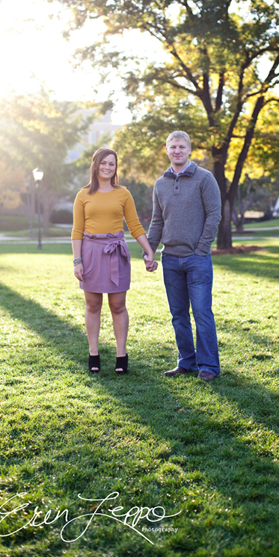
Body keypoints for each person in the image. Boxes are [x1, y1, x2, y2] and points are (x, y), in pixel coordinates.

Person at [145, 130, 222, 382]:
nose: (177, 150)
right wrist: (150, 250)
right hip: (170, 259)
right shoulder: (160, 184)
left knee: (201, 313)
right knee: (178, 315)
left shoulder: (205, 178)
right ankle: (186, 362)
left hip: (196, 259)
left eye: (181, 146)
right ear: (166, 150)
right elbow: (157, 220)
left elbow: (214, 214)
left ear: (189, 150)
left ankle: (208, 365)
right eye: (172, 147)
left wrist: (202, 248)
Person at [71, 147, 156, 374]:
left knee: (117, 306)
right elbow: (77, 230)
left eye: (112, 164)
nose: (108, 167)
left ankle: (121, 355)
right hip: (90, 252)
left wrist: (149, 252)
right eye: (104, 163)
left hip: (116, 252)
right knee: (93, 305)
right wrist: (77, 260)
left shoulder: (123, 194)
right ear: (96, 165)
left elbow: (135, 225)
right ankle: (93, 353)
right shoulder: (83, 195)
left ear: (115, 168)